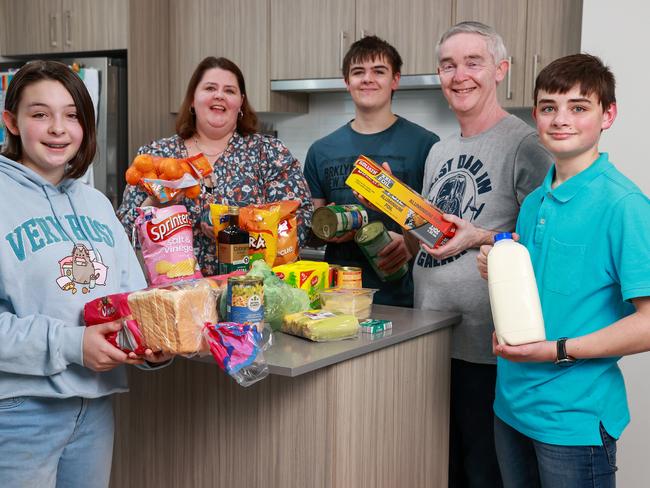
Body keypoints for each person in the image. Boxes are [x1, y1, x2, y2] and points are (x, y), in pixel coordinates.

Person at [476, 54, 650, 487]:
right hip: (511, 407)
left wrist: (557, 350)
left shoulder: (624, 205)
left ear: (608, 115)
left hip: (573, 420)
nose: (560, 119)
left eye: (578, 107)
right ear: (535, 115)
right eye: (549, 107)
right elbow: (543, 292)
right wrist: (496, 269)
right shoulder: (534, 200)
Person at [0, 61, 169, 487]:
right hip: (18, 410)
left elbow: (133, 299)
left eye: (72, 114)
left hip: (93, 410)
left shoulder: (95, 203)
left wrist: (150, 343)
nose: (58, 128)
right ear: (11, 122)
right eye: (40, 114)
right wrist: (74, 344)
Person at [408, 22, 554, 488]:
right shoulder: (439, 150)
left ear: (501, 71)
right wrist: (408, 238)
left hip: (486, 349)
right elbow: (445, 229)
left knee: (482, 474)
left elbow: (545, 242)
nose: (460, 74)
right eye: (449, 65)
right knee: (438, 470)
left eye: (474, 62)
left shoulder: (526, 143)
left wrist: (479, 237)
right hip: (430, 339)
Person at [117, 56, 313, 276]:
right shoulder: (157, 156)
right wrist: (156, 201)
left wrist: (238, 226)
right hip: (175, 294)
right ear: (192, 99)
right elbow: (124, 234)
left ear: (241, 103)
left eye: (229, 91)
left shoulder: (268, 153)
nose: (219, 95)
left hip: (251, 294)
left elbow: (300, 220)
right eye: (210, 88)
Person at [303, 35, 439, 307]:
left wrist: (411, 242)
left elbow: (437, 230)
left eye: (379, 71)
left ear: (395, 80)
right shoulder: (321, 150)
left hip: (405, 298)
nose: (367, 79)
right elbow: (310, 234)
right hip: (336, 299)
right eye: (358, 72)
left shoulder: (426, 144)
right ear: (346, 82)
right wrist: (328, 229)